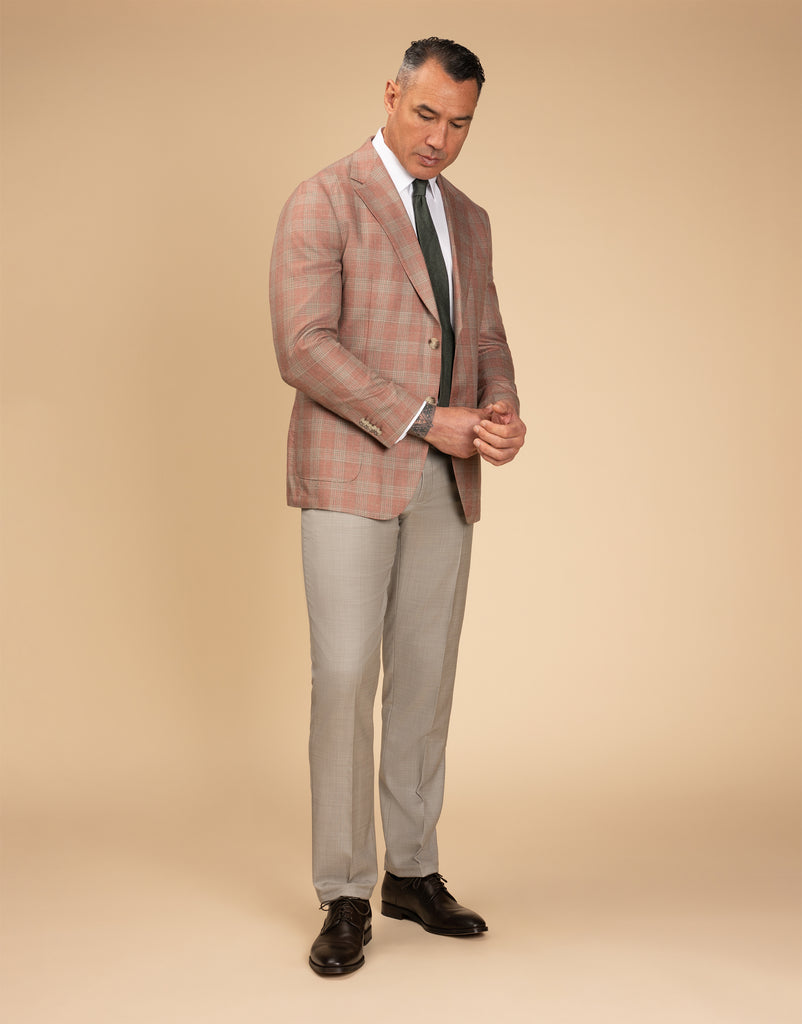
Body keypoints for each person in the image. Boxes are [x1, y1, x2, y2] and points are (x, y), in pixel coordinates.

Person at [270, 37, 526, 976]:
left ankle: (411, 872)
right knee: (345, 678)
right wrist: (426, 418)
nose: (439, 139)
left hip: (446, 479)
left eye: (459, 124)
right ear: (391, 94)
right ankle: (343, 890)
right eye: (426, 115)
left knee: (424, 677)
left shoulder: (470, 218)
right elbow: (303, 346)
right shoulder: (323, 198)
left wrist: (501, 408)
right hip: (351, 468)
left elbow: (485, 333)